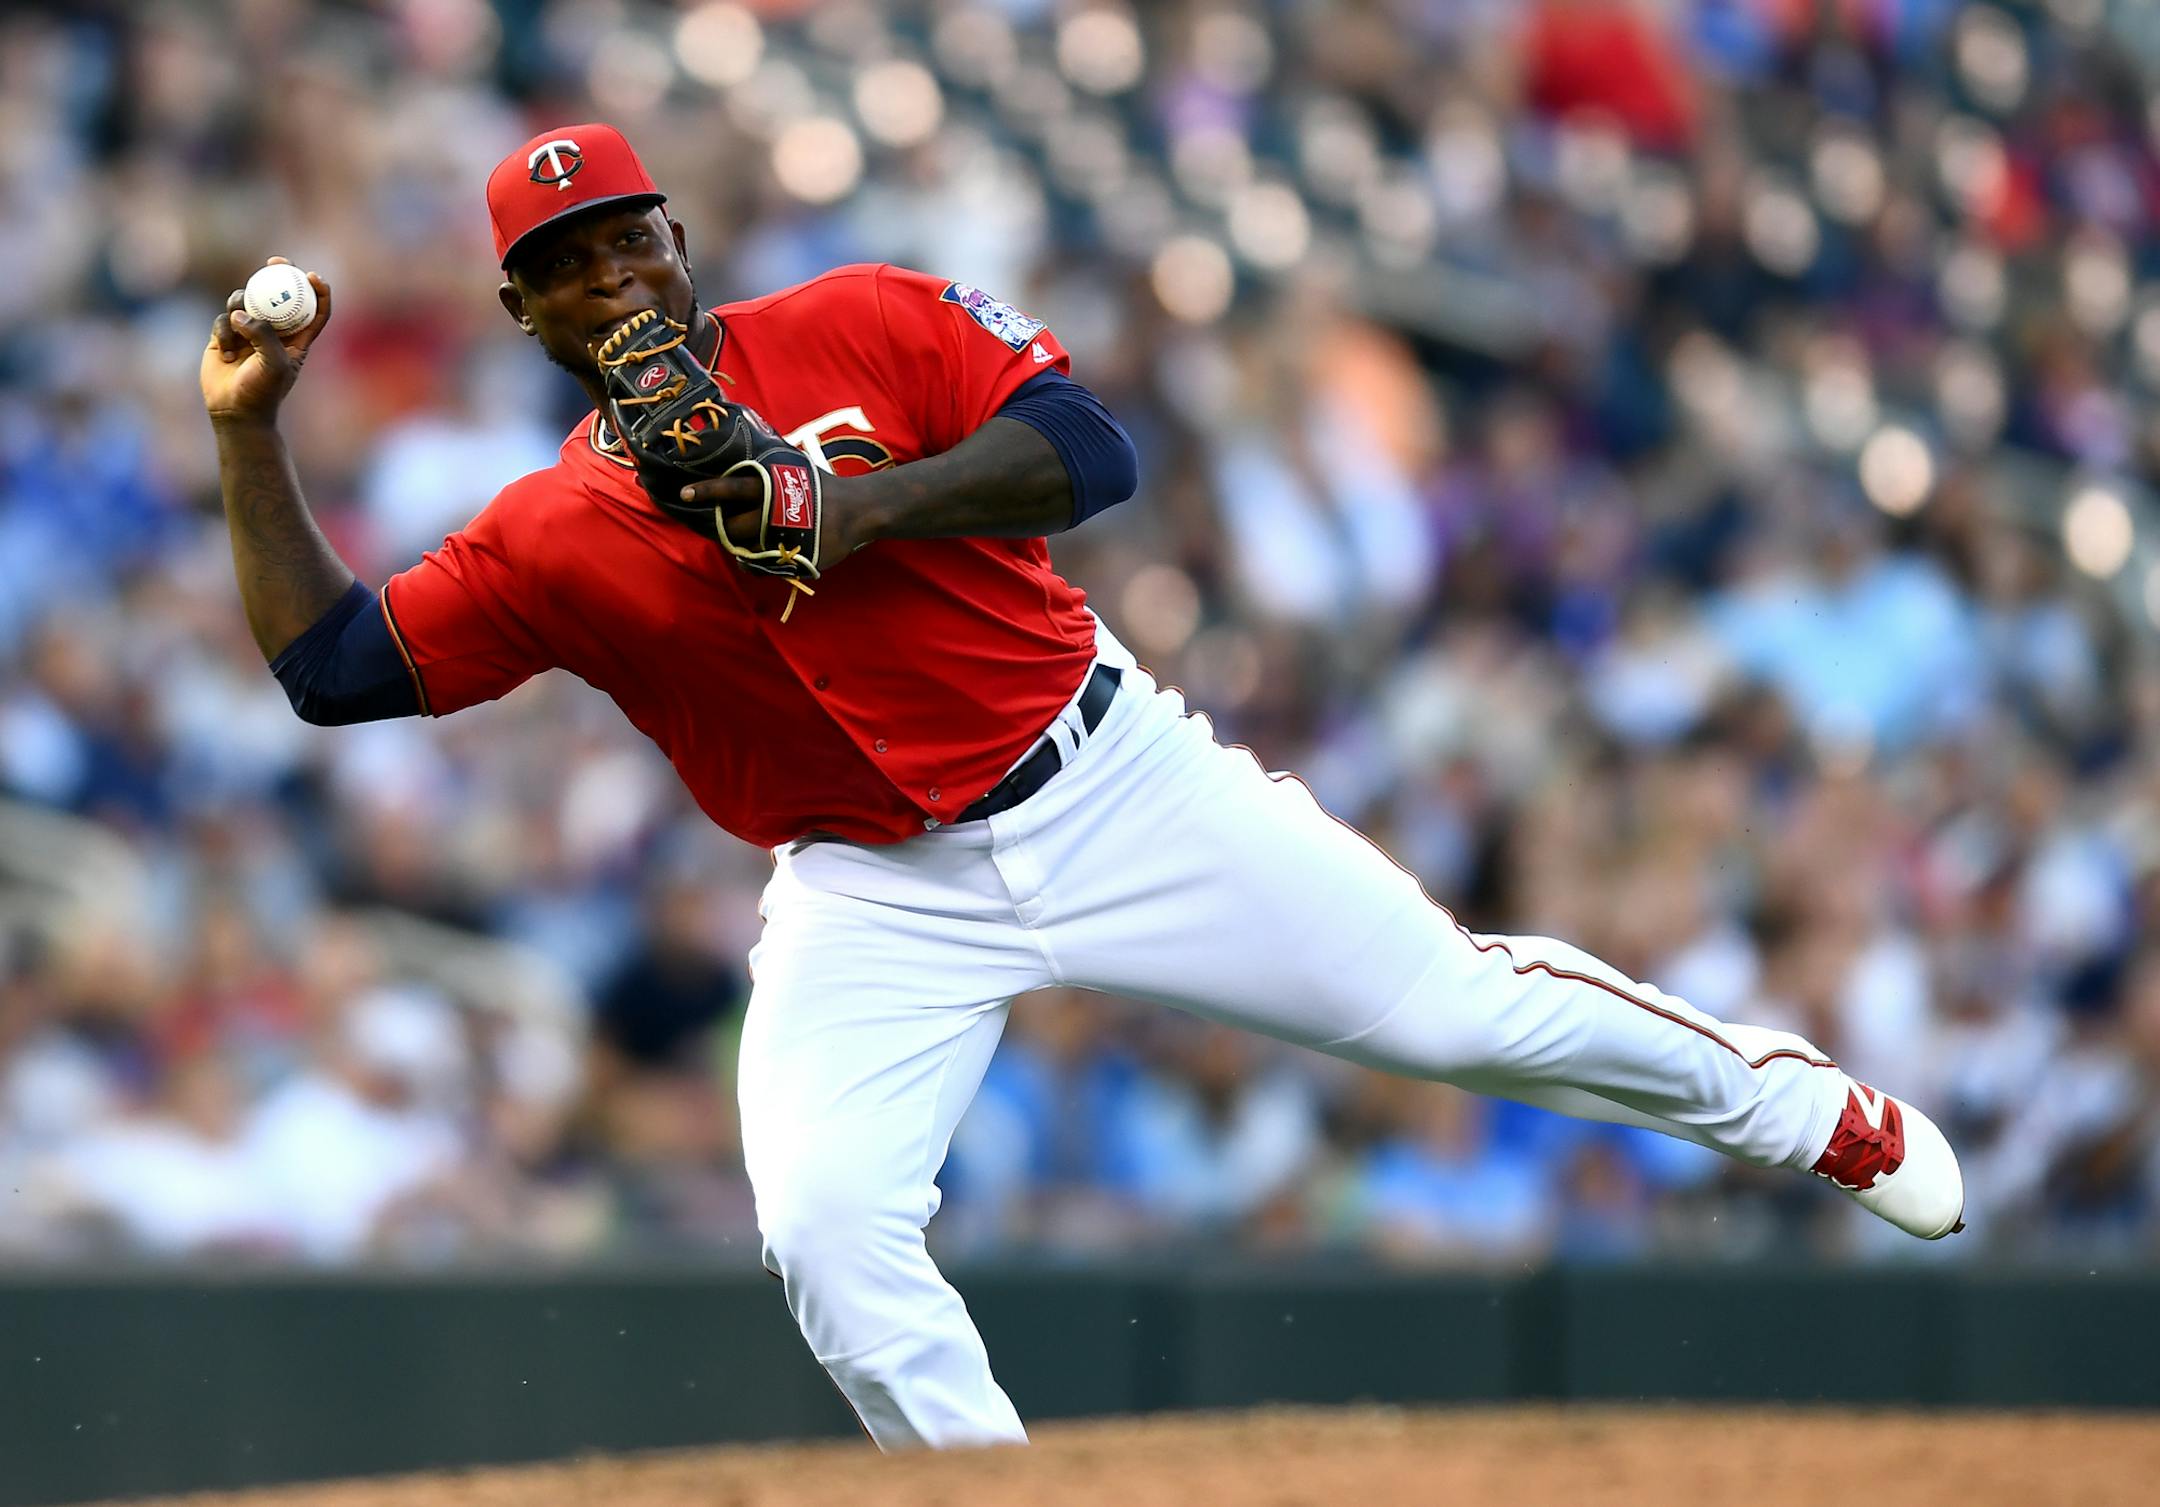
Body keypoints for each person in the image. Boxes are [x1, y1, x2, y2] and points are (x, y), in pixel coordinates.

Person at [198, 122, 1963, 1449]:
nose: (615, 280)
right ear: (523, 310)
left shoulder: (863, 319)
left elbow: (1090, 449)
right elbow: (332, 669)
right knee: (823, 1230)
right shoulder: (551, 532)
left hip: (1108, 782)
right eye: (567, 264)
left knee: (1457, 1013)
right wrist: (247, 432)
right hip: (869, 889)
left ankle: (1809, 1115)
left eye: (627, 237)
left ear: (677, 233)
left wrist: (852, 506)